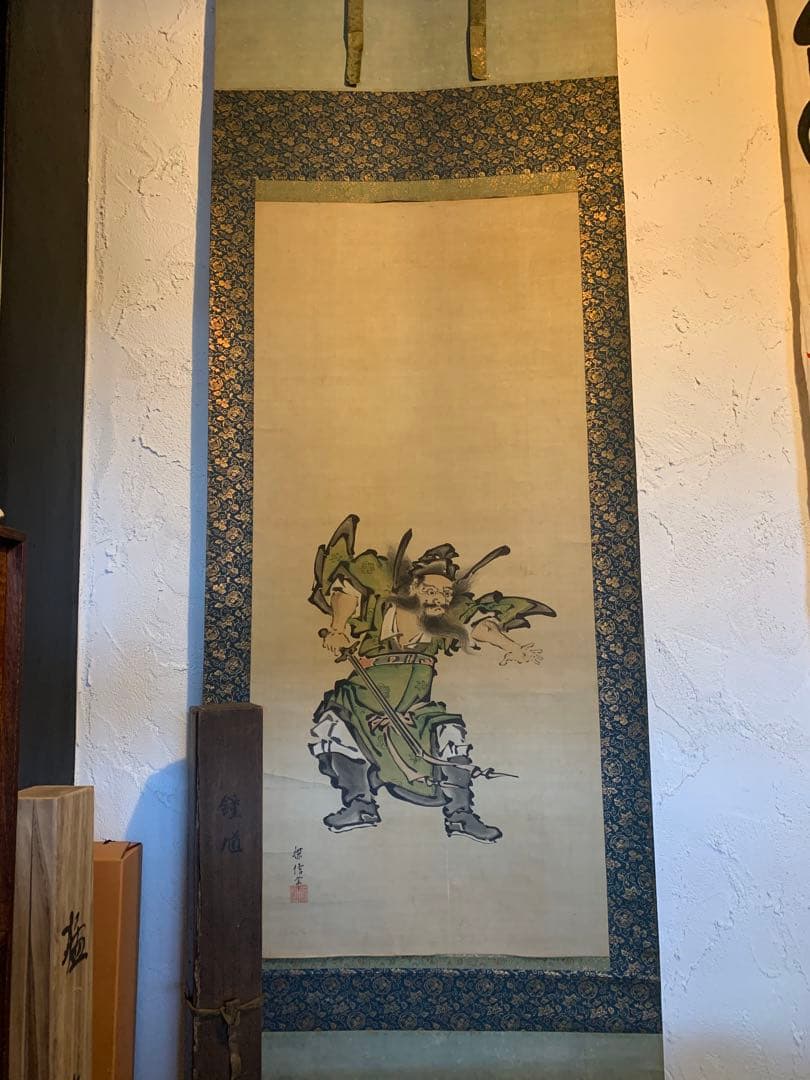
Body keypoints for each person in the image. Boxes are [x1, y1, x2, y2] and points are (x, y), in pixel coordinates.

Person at [308, 516, 556, 844]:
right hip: (362, 699)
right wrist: (338, 629)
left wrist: (511, 646)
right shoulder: (379, 609)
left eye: (446, 593)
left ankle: (461, 814)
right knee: (333, 727)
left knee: (449, 732)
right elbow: (347, 589)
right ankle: (359, 805)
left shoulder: (442, 622)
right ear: (412, 588)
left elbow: (479, 623)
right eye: (432, 590)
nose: (440, 599)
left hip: (414, 708)